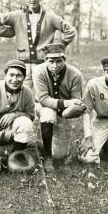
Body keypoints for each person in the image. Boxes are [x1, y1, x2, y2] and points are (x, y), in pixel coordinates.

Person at [0, 0, 76, 89]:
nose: (33, 0)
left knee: (43, 91)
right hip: (23, 63)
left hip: (43, 62)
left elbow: (70, 31)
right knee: (23, 91)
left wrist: (60, 46)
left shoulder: (50, 17)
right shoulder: (18, 15)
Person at [33, 43, 84, 172]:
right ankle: (47, 157)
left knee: (60, 155)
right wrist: (67, 103)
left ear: (64, 60)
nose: (55, 65)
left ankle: (39, 145)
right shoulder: (39, 70)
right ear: (45, 60)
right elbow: (44, 99)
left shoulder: (75, 74)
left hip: (63, 112)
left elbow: (76, 99)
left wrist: (75, 107)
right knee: (48, 113)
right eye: (51, 61)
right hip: (42, 107)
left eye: (59, 61)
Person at [79, 57, 108, 164]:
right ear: (103, 71)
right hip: (102, 121)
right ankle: (105, 146)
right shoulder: (94, 84)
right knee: (87, 158)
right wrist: (88, 137)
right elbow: (86, 111)